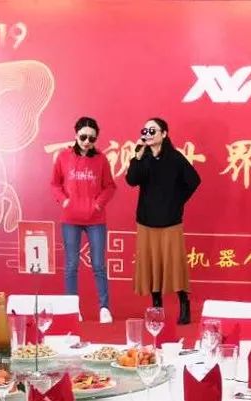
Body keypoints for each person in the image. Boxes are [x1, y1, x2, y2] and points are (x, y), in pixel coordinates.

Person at [126, 117, 200, 324]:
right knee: (152, 265)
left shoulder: (175, 158)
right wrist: (137, 156)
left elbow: (194, 180)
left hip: (170, 222)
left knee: (175, 265)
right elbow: (131, 180)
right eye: (145, 131)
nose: (148, 134)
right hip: (146, 221)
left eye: (153, 131)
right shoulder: (143, 157)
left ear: (164, 134)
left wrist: (177, 201)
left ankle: (184, 303)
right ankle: (157, 305)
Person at [51, 116, 116, 323]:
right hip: (70, 219)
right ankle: (72, 308)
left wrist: (98, 204)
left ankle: (104, 308)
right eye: (83, 137)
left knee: (98, 265)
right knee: (71, 265)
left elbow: (110, 186)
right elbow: (55, 184)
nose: (87, 141)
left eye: (92, 138)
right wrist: (64, 201)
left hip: (96, 219)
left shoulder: (101, 159)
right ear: (76, 134)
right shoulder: (63, 157)